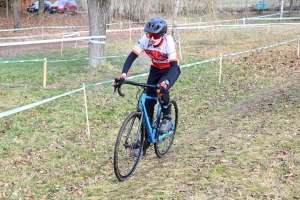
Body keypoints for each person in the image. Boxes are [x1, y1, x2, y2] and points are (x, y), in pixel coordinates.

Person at [114, 17, 181, 135]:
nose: (152, 38)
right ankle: (146, 138)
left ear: (163, 35)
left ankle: (167, 117)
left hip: (170, 69)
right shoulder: (146, 39)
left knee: (161, 89)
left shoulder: (168, 41)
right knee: (148, 101)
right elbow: (132, 56)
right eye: (150, 34)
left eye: (155, 36)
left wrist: (166, 82)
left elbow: (175, 67)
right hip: (155, 69)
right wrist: (123, 75)